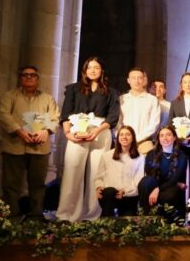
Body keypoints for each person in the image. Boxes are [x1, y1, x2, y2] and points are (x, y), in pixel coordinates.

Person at [58, 57, 121, 222]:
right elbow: (65, 114)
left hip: (100, 131)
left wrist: (97, 131)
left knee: (97, 175)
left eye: (96, 67)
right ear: (85, 70)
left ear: (102, 70)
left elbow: (113, 117)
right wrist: (68, 134)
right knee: (72, 172)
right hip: (77, 131)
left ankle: (92, 216)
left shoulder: (111, 92)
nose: (93, 70)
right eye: (90, 67)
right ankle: (67, 215)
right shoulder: (73, 89)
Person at [0, 65, 60, 219]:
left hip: (39, 147)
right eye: (25, 75)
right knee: (11, 185)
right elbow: (4, 115)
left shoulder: (47, 98)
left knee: (38, 185)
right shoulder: (9, 96)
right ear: (20, 78)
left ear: (37, 78)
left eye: (32, 75)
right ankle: (11, 218)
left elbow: (55, 118)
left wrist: (46, 131)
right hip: (14, 145)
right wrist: (19, 131)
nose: (29, 77)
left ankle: (36, 217)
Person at [138, 126, 189, 218]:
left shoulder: (182, 156)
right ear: (158, 139)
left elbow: (174, 179)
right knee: (145, 181)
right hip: (155, 184)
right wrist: (155, 187)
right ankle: (146, 217)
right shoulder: (151, 154)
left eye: (168, 135)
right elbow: (149, 174)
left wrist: (158, 189)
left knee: (168, 195)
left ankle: (164, 222)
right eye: (162, 135)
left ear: (174, 137)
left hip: (170, 186)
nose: (165, 138)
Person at [94, 126, 144, 217]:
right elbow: (99, 178)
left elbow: (138, 182)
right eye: (121, 135)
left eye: (128, 134)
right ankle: (106, 222)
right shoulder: (106, 156)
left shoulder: (140, 158)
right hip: (109, 196)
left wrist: (125, 192)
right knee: (109, 192)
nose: (124, 137)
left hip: (129, 197)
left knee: (127, 223)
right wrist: (98, 187)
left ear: (133, 138)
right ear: (118, 138)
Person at [118, 67, 161, 152]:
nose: (136, 81)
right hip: (124, 142)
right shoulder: (121, 99)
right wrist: (123, 137)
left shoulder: (152, 100)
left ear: (144, 80)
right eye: (133, 78)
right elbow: (118, 122)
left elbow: (154, 124)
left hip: (145, 142)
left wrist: (137, 138)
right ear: (128, 80)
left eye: (140, 78)